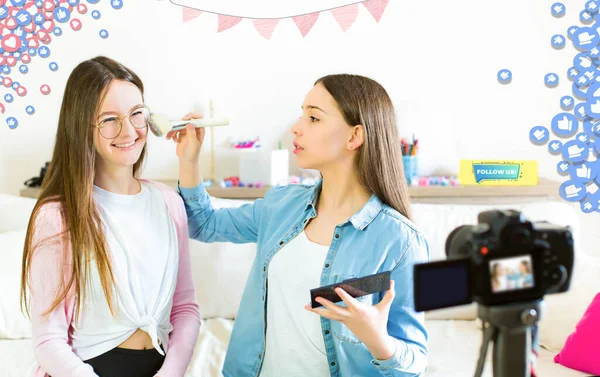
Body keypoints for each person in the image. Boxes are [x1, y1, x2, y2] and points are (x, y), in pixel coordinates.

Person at [169, 74, 430, 376]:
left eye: (314, 118)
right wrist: (189, 160)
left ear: (354, 136)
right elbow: (203, 223)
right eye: (302, 114)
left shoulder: (399, 240)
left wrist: (378, 339)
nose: (296, 127)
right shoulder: (281, 205)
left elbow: (414, 363)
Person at [20, 56, 201, 377]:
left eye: (136, 114)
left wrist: (170, 372)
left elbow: (185, 308)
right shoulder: (58, 215)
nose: (128, 130)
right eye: (109, 119)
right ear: (81, 126)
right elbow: (48, 339)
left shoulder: (169, 202)